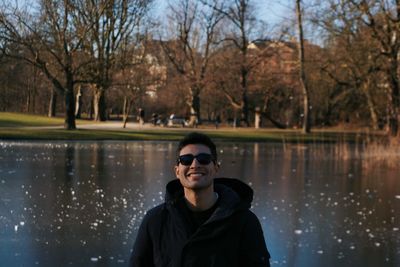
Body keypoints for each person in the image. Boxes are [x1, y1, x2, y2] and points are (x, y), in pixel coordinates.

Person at [129, 132, 271, 267]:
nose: (195, 164)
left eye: (204, 159)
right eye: (186, 160)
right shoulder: (155, 221)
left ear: (216, 168)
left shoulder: (245, 222)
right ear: (177, 171)